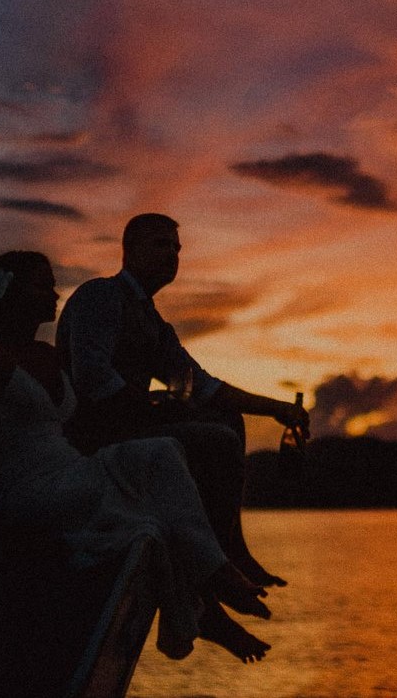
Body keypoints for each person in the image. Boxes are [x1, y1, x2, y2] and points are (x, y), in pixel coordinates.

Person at [0, 251, 273, 662]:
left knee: (162, 451)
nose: (55, 294)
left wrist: (156, 407)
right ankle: (212, 590)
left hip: (69, 468)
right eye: (43, 285)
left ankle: (211, 584)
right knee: (151, 512)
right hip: (26, 486)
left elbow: (80, 424)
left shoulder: (48, 356)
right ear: (12, 293)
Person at [57, 213, 307, 588]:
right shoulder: (101, 295)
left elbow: (203, 386)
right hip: (92, 434)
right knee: (218, 438)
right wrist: (153, 407)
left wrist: (278, 409)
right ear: (130, 250)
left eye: (176, 248)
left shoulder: (155, 323)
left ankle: (231, 546)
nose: (172, 254)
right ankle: (217, 558)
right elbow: (93, 376)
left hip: (129, 426)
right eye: (161, 244)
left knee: (228, 419)